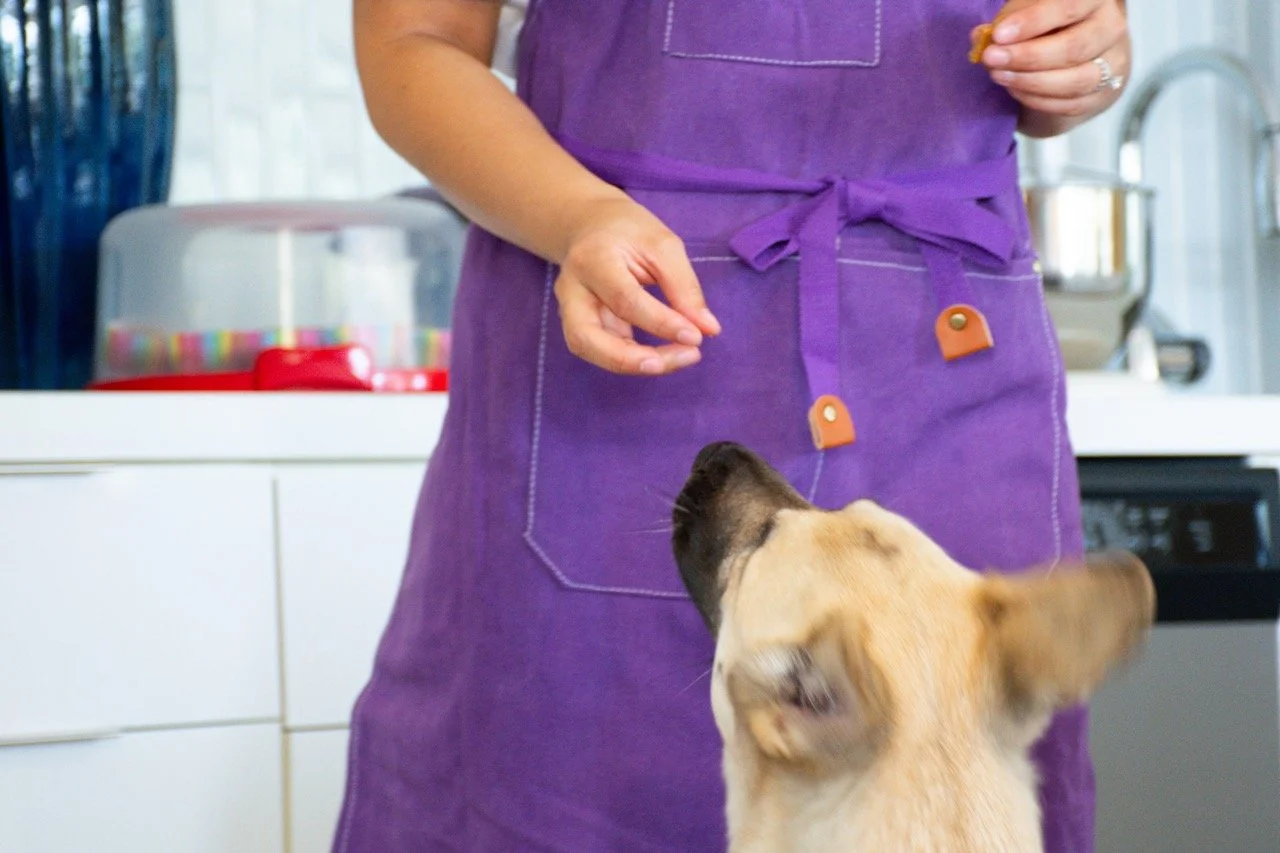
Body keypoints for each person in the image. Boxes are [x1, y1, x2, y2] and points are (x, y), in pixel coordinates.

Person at [334, 1, 1133, 850]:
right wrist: (577, 218)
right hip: (622, 361)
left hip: (948, 370)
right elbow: (410, 42)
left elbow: (1075, 35)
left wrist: (1086, 56)